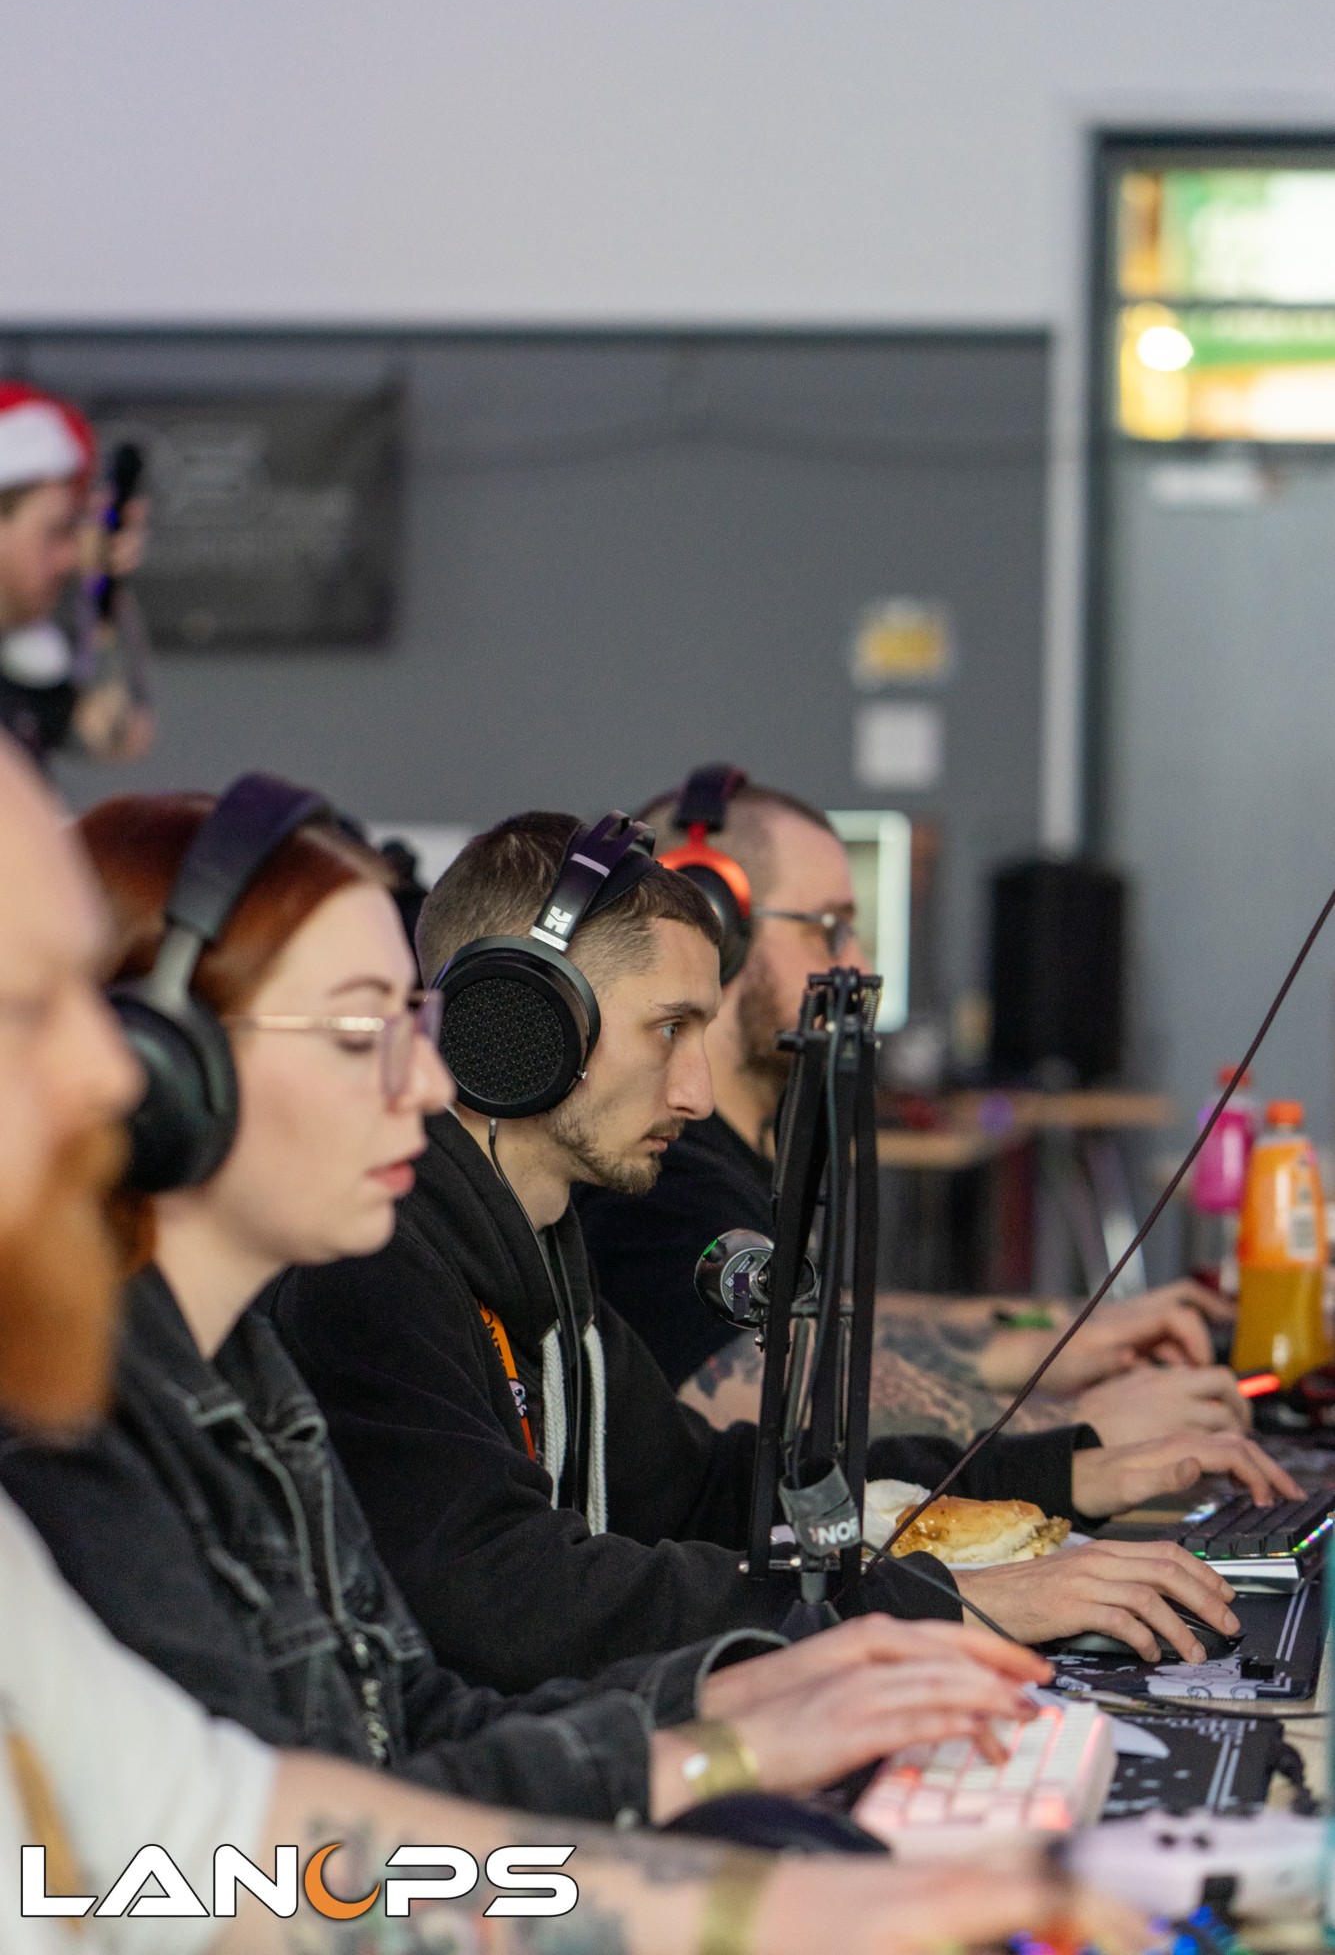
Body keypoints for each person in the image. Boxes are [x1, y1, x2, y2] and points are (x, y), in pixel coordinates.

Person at [0, 731, 1122, 1955]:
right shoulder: (90, 1433)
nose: (424, 1084)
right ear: (178, 1073)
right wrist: (734, 1767)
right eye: (363, 1029)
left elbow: (351, 1764)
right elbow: (252, 1872)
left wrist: (737, 1718)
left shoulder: (250, 1382)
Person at [272, 808, 1294, 1698]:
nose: (695, 1094)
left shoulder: (538, 1252)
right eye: (667, 1029)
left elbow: (706, 1489)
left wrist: (1058, 1473)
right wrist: (935, 1606)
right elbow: (513, 1595)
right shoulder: (374, 1265)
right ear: (518, 1028)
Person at [581, 773, 1251, 1448]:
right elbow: (764, 1388)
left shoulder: (724, 1153)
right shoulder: (656, 1175)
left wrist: (1045, 1332)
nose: (858, 961)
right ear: (710, 924)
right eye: (830, 929)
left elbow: (815, 1317)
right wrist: (1082, 1427)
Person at [0, 383, 154, 769]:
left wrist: (104, 587)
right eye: (56, 532)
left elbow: (118, 731)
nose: (71, 557)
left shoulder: (21, 663)